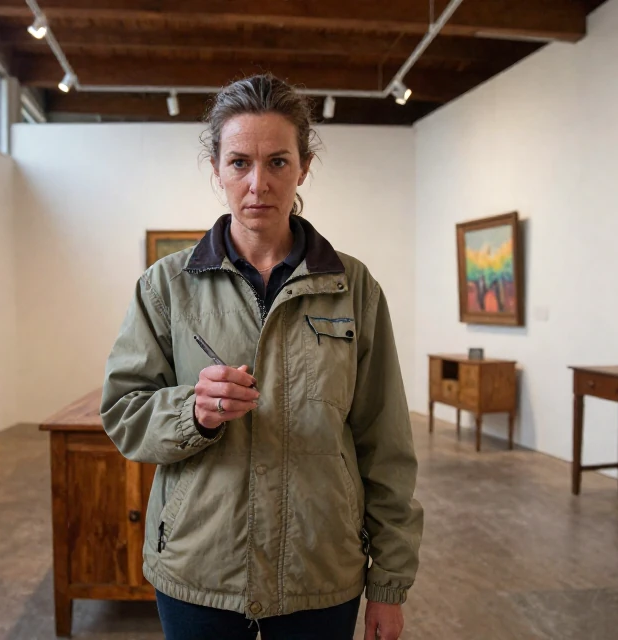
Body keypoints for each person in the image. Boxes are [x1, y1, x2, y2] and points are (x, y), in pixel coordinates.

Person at [100, 74, 423, 640]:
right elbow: (125, 414)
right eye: (239, 163)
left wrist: (390, 582)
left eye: (277, 162)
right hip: (199, 567)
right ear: (216, 169)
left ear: (304, 166)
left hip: (320, 568)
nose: (258, 184)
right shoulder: (165, 287)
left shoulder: (354, 287)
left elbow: (386, 442)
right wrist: (192, 414)